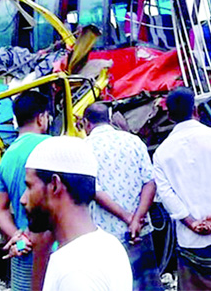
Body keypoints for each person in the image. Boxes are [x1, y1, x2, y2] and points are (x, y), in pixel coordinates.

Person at [153, 87, 211, 290]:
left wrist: (191, 221)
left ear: (169, 115)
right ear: (196, 109)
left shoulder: (162, 153)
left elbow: (166, 195)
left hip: (190, 239)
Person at [21, 136, 132, 291]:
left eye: (30, 186)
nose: (23, 199)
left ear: (54, 185)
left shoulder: (75, 271)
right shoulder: (109, 244)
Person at [81, 103, 162, 291]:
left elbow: (94, 190)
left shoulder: (84, 149)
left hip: (105, 234)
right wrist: (136, 220)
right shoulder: (134, 141)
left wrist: (127, 218)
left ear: (86, 123)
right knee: (145, 283)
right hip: (138, 232)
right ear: (109, 120)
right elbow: (149, 182)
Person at [0, 90, 51, 291]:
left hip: (22, 251)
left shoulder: (6, 157)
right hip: (52, 250)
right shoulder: (52, 147)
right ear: (41, 118)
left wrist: (17, 235)